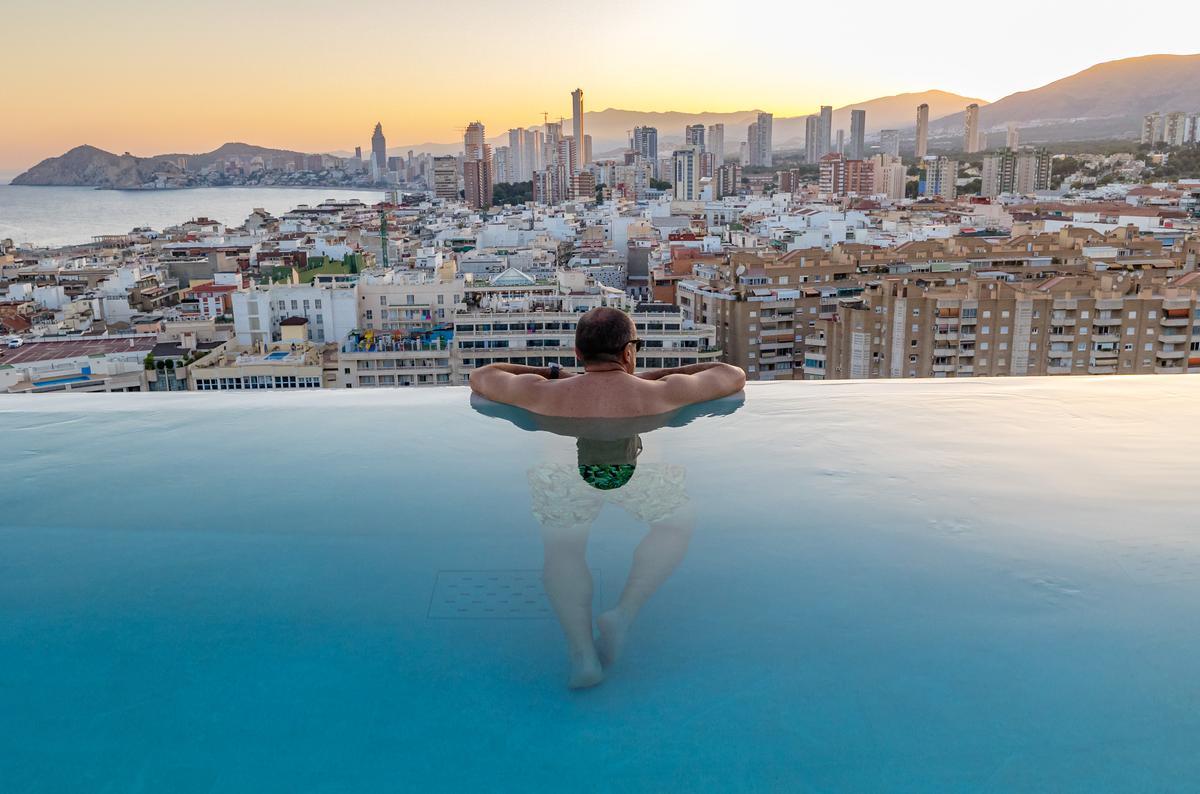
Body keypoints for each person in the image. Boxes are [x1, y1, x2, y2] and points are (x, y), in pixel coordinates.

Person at [468, 306, 746, 418]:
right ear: (628, 353)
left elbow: (481, 376)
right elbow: (732, 374)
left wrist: (554, 373)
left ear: (578, 353)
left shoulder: (537, 392)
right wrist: (650, 377)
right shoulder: (667, 391)